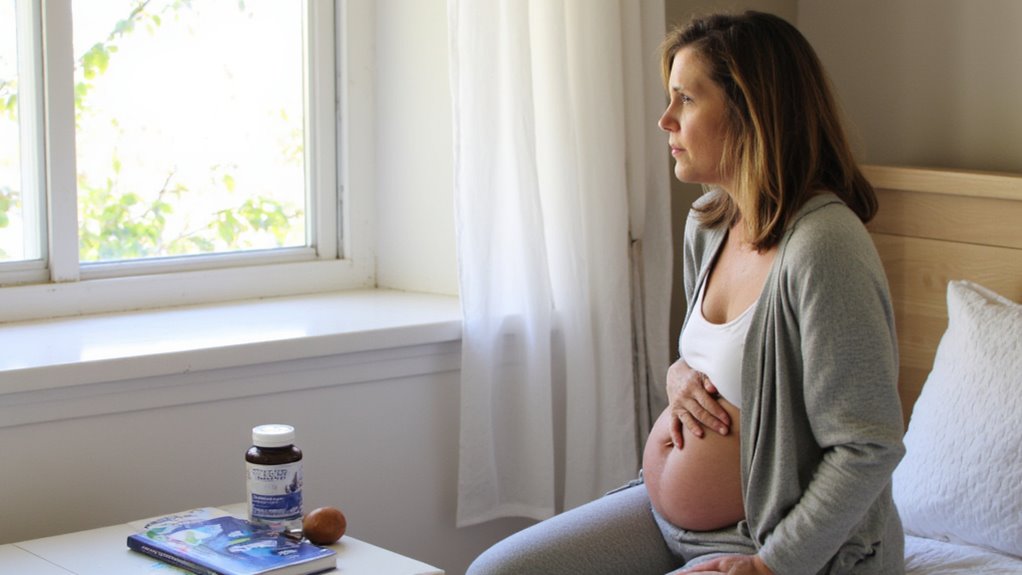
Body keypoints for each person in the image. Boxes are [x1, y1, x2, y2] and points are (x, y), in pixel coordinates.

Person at [466, 11, 905, 575]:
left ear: (751, 110)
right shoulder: (708, 223)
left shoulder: (824, 246)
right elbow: (722, 363)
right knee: (498, 571)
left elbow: (869, 447)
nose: (664, 119)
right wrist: (679, 376)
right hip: (669, 519)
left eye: (686, 100)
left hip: (778, 543)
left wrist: (772, 566)